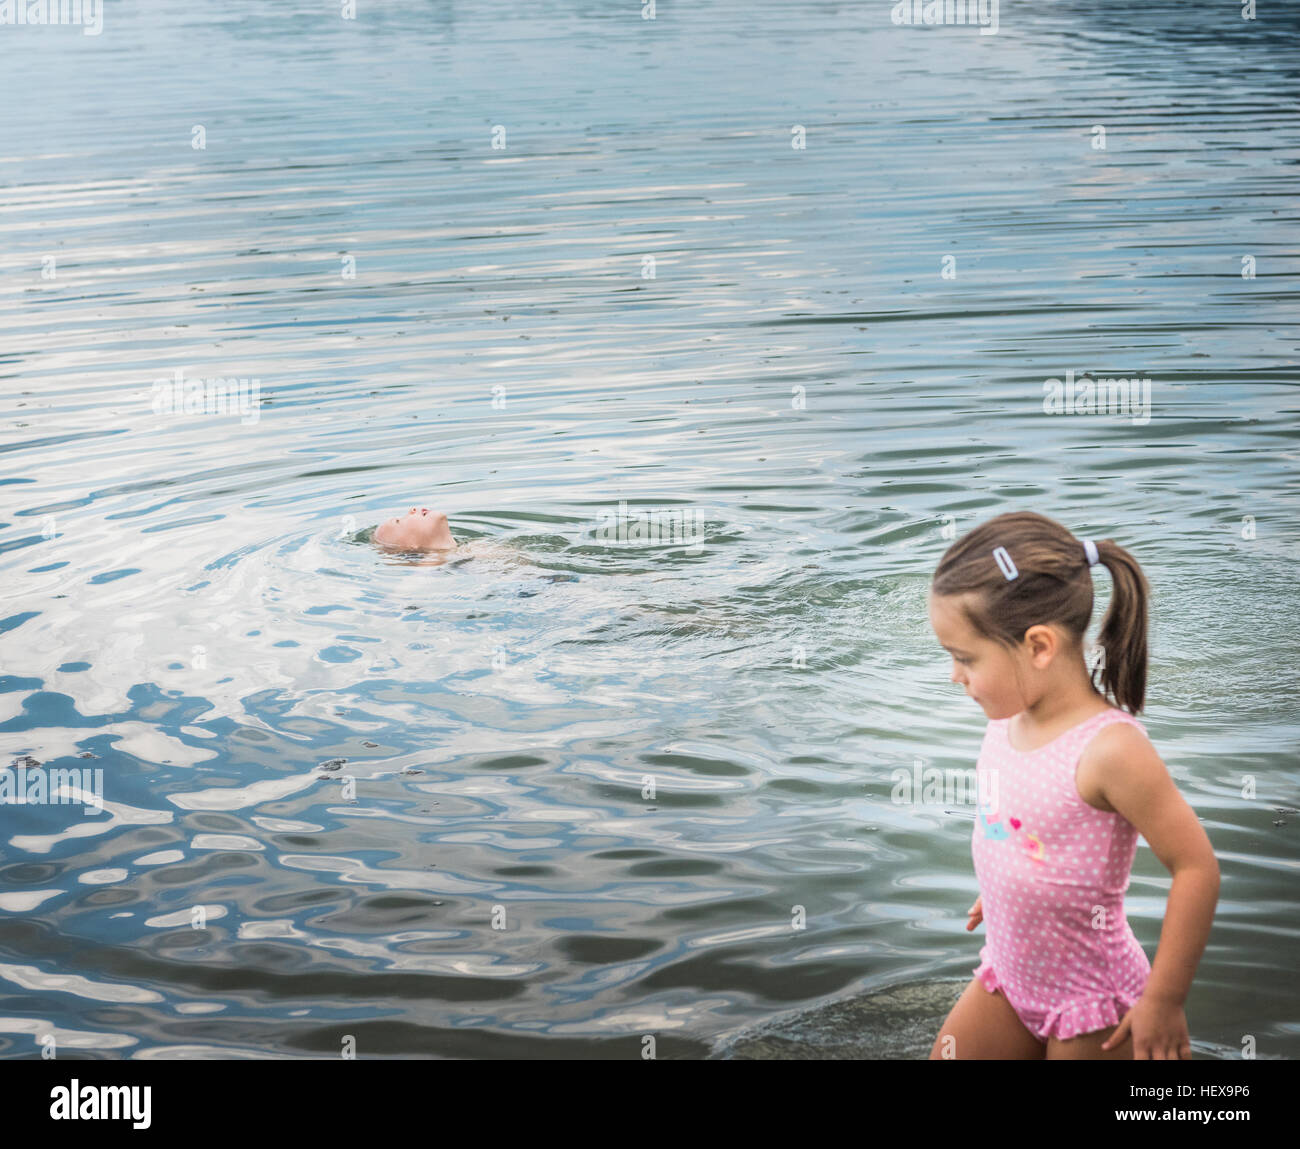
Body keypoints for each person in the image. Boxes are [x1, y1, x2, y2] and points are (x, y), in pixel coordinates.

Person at [926, 511, 1218, 1060]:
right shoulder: (1005, 717)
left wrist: (1164, 999)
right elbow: (1026, 825)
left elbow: (1196, 867)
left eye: (965, 658)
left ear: (1038, 646)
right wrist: (1007, 885)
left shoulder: (1110, 750)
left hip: (1093, 1002)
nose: (955, 676)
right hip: (1010, 974)